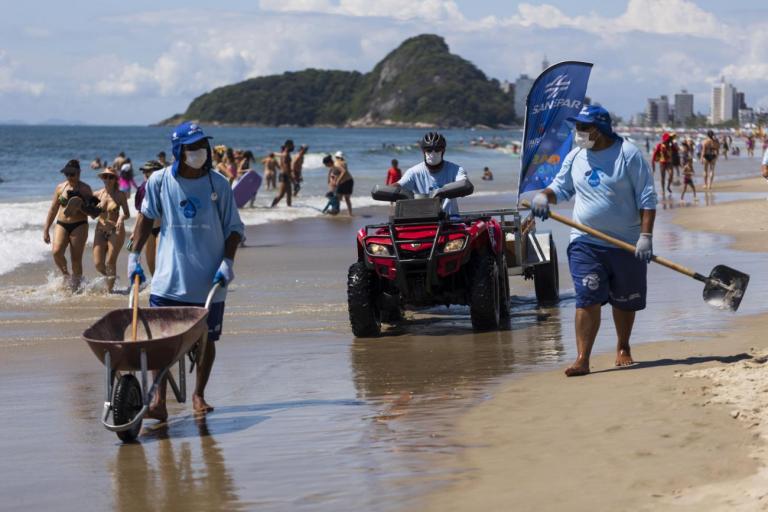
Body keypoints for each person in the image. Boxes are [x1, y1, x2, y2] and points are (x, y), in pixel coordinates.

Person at [127, 122, 244, 418]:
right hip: (168, 280)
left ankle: (198, 395)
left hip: (209, 282)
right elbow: (145, 219)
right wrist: (133, 256)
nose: (199, 152)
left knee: (206, 341)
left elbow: (233, 229)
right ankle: (158, 403)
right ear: (179, 150)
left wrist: (227, 262)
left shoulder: (218, 184)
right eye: (192, 147)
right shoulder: (159, 181)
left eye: (202, 146)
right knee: (158, 343)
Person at [530, 105, 656, 377]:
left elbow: (647, 198)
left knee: (624, 300)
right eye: (577, 127)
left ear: (598, 130)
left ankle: (623, 346)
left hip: (627, 243)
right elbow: (560, 188)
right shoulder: (576, 156)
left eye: (583, 128)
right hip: (585, 241)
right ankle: (582, 358)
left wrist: (646, 236)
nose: (578, 133)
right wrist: (543, 196)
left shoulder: (628, 154)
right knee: (587, 298)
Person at [43, 160, 94, 291]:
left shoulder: (86, 189)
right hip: (62, 223)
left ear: (79, 173)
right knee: (56, 252)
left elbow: (94, 213)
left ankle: (77, 288)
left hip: (79, 225)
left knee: (76, 259)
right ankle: (66, 275)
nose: (70, 177)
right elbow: (53, 209)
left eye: (72, 174)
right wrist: (46, 229)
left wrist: (80, 206)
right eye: (67, 175)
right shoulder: (60, 188)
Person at [397, 132, 469, 216]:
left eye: (437, 149)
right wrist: (387, 191)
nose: (433, 153)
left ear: (443, 151)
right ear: (423, 151)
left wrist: (443, 191)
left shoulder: (456, 170)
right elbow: (399, 186)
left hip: (451, 219)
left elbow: (466, 185)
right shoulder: (414, 172)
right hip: (423, 219)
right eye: (429, 150)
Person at [92, 166, 130, 292]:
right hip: (100, 230)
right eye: (105, 176)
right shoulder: (97, 194)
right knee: (98, 264)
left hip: (116, 230)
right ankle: (112, 278)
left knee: (110, 262)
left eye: (111, 177)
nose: (107, 179)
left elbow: (127, 213)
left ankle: (110, 291)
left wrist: (120, 218)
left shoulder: (120, 195)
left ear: (115, 179)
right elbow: (89, 212)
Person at [133, 160, 165, 275]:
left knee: (160, 258)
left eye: (148, 171)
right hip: (148, 229)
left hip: (164, 228)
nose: (145, 174)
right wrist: (134, 231)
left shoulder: (166, 187)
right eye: (144, 171)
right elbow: (140, 213)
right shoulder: (142, 189)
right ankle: (155, 283)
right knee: (150, 261)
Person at [271, 139, 295, 208]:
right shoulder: (286, 154)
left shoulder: (283, 153)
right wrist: (292, 179)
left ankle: (289, 209)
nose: (294, 147)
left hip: (285, 175)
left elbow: (277, 154)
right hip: (285, 176)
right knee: (281, 195)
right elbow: (286, 168)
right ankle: (271, 207)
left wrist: (274, 153)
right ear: (289, 146)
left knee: (289, 194)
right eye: (292, 145)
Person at [329, 150, 354, 216]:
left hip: (343, 182)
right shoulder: (344, 162)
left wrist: (336, 181)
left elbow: (341, 172)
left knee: (337, 198)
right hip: (349, 181)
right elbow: (336, 172)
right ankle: (350, 214)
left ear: (336, 157)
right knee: (347, 199)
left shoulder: (336, 163)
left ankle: (335, 212)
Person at [651, 132, 673, 197]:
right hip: (662, 163)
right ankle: (663, 190)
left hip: (669, 162)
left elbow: (676, 151)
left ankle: (668, 186)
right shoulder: (659, 145)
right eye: (667, 139)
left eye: (668, 139)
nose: (668, 140)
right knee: (663, 177)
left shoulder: (670, 145)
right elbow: (654, 155)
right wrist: (653, 166)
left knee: (671, 174)